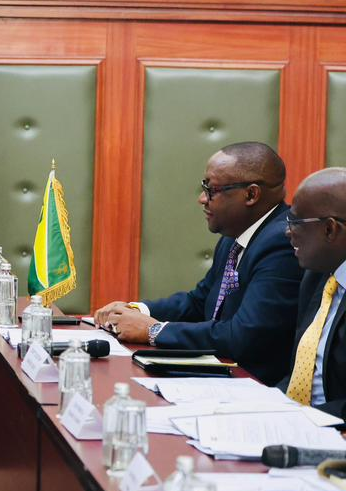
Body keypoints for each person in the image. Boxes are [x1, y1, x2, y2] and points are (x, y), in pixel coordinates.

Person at [94, 142, 299, 385]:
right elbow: (200, 302)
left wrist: (154, 330)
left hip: (254, 386)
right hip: (219, 375)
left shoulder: (283, 242)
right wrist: (137, 310)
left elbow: (244, 335)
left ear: (251, 194)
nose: (202, 199)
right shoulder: (234, 238)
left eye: (212, 190)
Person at [280, 168, 346, 416]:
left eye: (295, 222)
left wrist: (298, 419)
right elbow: (301, 374)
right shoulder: (318, 275)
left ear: (330, 229)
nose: (288, 232)